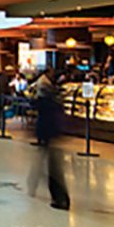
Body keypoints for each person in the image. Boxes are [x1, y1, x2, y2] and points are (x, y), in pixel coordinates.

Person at [28, 71, 71, 210]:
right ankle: (35, 184)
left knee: (52, 168)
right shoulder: (55, 98)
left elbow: (34, 103)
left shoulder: (44, 99)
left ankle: (59, 198)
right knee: (51, 166)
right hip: (54, 134)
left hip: (47, 134)